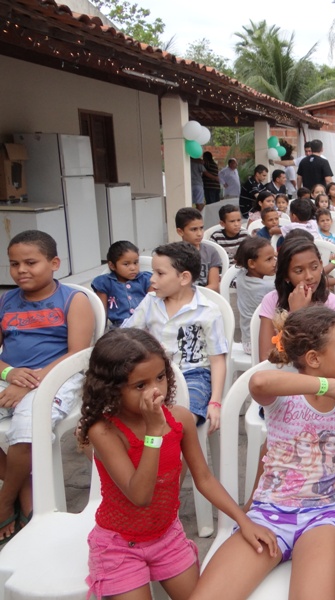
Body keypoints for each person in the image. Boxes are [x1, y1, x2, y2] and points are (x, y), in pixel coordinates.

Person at [79, 328, 277, 599]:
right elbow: (140, 496)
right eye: (140, 385)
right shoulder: (104, 431)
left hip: (166, 538)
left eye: (160, 377)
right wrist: (153, 433)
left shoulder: (180, 419)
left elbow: (204, 478)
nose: (156, 390)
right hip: (120, 545)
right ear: (111, 389)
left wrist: (244, 520)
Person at [192, 306, 335, 600]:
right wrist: (328, 386)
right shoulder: (284, 395)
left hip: (323, 517)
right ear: (313, 359)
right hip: (266, 515)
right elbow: (258, 382)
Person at [0, 230, 94, 542]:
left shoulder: (73, 300)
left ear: (54, 263)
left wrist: (30, 383)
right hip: (13, 378)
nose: (21, 270)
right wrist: (9, 373)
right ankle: (23, 489)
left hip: (58, 377)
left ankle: (4, 501)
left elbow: (77, 354)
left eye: (30, 263)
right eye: (14, 264)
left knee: (29, 426)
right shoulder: (6, 301)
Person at [123, 242, 228, 433]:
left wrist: (215, 402)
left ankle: (170, 447)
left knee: (182, 419)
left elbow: (217, 359)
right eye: (153, 272)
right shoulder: (150, 302)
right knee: (128, 414)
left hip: (194, 375)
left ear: (184, 277)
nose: (152, 279)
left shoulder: (207, 310)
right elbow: (126, 336)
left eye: (160, 273)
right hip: (152, 375)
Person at [257, 236, 335, 363]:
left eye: (314, 267)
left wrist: (299, 314)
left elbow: (323, 360)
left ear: (321, 266)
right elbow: (265, 358)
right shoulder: (271, 300)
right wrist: (296, 314)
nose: (309, 276)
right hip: (278, 372)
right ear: (286, 276)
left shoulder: (334, 305)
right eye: (299, 271)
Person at [92, 240, 153, 328]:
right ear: (112, 266)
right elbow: (101, 312)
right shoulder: (105, 283)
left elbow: (154, 305)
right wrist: (102, 331)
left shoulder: (146, 279)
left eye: (135, 262)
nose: (133, 268)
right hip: (119, 329)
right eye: (126, 264)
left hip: (145, 326)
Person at [234, 237, 276, 355]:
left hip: (247, 341)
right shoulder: (267, 287)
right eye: (269, 259)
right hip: (259, 344)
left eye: (274, 257)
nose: (274, 263)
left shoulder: (241, 276)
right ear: (252, 263)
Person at [175, 207, 221, 293]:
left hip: (206, 296)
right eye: (194, 229)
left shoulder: (211, 252)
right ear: (180, 231)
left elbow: (214, 286)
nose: (199, 233)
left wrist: (194, 296)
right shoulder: (173, 254)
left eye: (201, 228)